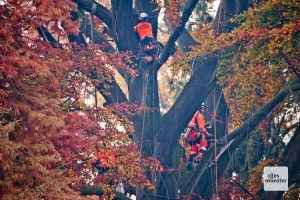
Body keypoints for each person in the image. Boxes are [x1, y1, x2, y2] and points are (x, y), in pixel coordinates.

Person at [183, 103, 212, 170]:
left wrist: (206, 124)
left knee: (194, 149)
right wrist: (208, 134)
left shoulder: (193, 115)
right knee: (203, 144)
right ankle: (200, 159)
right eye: (203, 108)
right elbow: (201, 128)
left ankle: (189, 163)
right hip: (195, 134)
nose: (204, 110)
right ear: (200, 108)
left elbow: (197, 125)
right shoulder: (199, 115)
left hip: (188, 136)